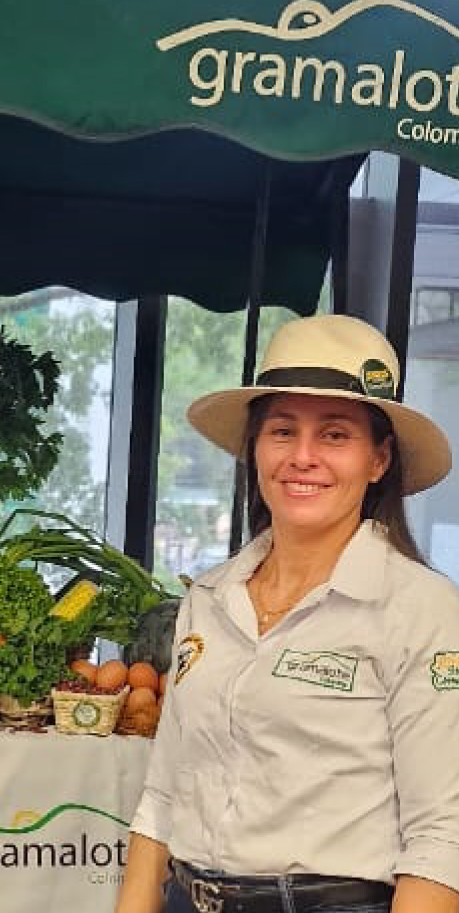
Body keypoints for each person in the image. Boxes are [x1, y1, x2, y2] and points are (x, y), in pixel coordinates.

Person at [115, 314, 459, 913]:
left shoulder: (420, 608)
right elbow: (164, 794)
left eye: (334, 435)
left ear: (378, 461)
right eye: (281, 431)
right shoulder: (209, 597)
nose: (302, 457)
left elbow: (440, 837)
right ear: (253, 448)